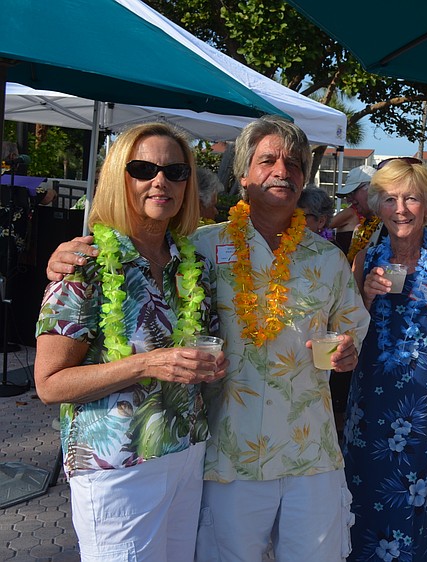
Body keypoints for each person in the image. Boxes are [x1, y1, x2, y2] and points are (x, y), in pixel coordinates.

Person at [45, 116, 371, 562]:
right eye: (268, 160)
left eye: (295, 163)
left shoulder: (329, 259)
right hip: (224, 455)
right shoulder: (198, 248)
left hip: (307, 451)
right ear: (242, 176)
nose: (282, 170)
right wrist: (67, 255)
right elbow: (131, 251)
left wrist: (347, 350)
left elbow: (352, 324)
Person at [34, 122, 226, 561]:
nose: (161, 181)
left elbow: (207, 347)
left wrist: (214, 366)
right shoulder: (85, 265)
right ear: (120, 178)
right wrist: (145, 364)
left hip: (185, 453)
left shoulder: (192, 263)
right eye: (144, 169)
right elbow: (50, 384)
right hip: (116, 467)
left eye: (175, 172)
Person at [343, 157, 427, 561]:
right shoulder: (364, 259)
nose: (400, 209)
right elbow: (346, 342)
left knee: (415, 534)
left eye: (412, 199)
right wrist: (363, 296)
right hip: (367, 423)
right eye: (390, 199)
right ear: (378, 205)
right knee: (359, 527)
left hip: (423, 427)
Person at [331, 164, 380, 261]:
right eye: (347, 195)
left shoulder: (389, 225)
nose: (349, 200)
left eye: (352, 193)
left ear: (371, 188)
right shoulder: (360, 229)